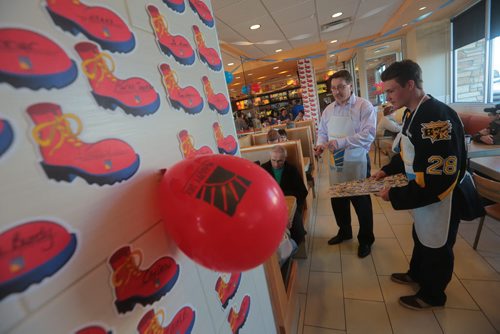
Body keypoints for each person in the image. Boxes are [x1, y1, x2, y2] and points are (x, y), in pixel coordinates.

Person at [373, 59, 466, 310]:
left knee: (437, 246)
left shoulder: (436, 119)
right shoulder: (413, 112)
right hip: (421, 194)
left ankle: (433, 295)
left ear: (410, 84)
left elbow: (439, 180)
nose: (388, 97)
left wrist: (396, 195)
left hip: (441, 198)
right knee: (420, 236)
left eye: (391, 90)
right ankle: (417, 273)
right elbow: (409, 153)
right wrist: (386, 170)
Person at [314, 70, 376, 258]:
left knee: (361, 202)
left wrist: (341, 142)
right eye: (333, 88)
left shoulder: (363, 106)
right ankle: (344, 231)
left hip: (356, 160)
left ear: (350, 86)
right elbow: (322, 132)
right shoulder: (329, 110)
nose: (337, 91)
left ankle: (366, 239)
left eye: (341, 87)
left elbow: (369, 133)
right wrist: (319, 145)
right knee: (338, 200)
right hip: (335, 162)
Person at [261, 145, 308, 245]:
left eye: (280, 161)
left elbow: (302, 192)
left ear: (285, 158)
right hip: (269, 206)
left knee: (296, 228)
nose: (276, 164)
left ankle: (292, 248)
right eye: (273, 160)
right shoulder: (263, 169)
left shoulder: (292, 170)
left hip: (290, 204)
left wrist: (296, 209)